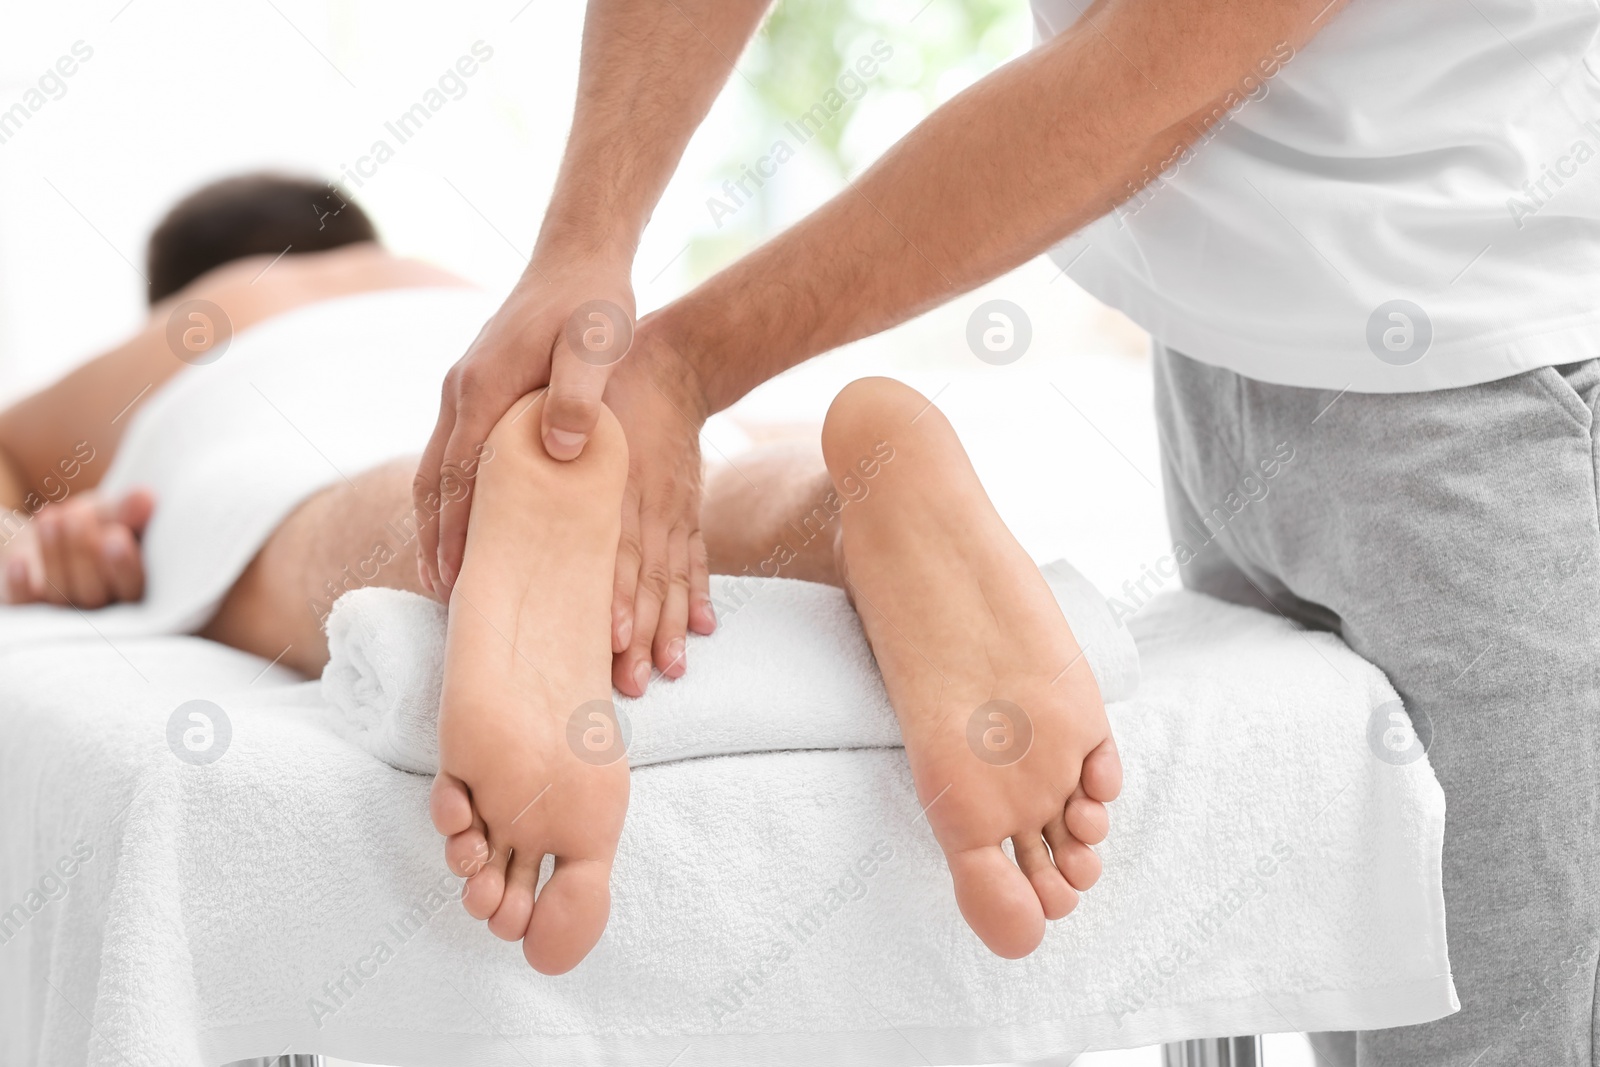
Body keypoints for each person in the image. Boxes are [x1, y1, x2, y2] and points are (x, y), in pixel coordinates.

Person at [413, 0, 1600, 1062]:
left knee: (1471, 1018)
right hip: (1277, 351)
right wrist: (591, 248)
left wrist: (654, 324)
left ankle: (755, 521)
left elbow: (1177, 55)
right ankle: (849, 506)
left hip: (1487, 392)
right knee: (1408, 993)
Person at [0, 173, 1118, 974]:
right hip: (529, 375)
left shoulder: (205, 322)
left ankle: (490, 518)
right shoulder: (442, 280)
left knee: (328, 538)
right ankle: (834, 499)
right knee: (682, 499)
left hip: (274, 412)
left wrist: (36, 536)